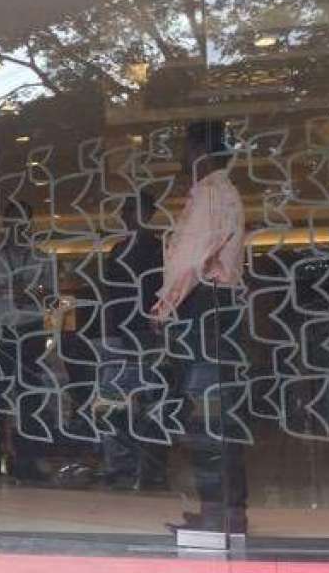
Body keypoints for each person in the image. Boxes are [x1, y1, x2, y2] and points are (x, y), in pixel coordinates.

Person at [150, 120, 247, 534]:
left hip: (204, 304)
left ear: (201, 151)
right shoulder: (224, 192)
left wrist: (164, 306)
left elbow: (190, 260)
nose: (181, 158)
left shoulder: (209, 194)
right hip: (218, 305)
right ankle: (226, 509)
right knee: (217, 410)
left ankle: (217, 512)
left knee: (206, 410)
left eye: (186, 149)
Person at [0, 199, 52, 482]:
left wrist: (29, 293)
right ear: (5, 223)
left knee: (28, 398)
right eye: (12, 220)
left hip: (29, 330)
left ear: (29, 223)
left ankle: (26, 459)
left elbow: (50, 297)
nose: (17, 226)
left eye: (21, 220)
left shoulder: (41, 257)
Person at [93, 190, 167, 490]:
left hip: (145, 334)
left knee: (146, 402)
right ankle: (124, 464)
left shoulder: (157, 250)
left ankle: (144, 466)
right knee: (115, 402)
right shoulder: (120, 250)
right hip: (120, 334)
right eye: (125, 210)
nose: (125, 216)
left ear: (147, 213)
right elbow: (109, 293)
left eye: (131, 210)